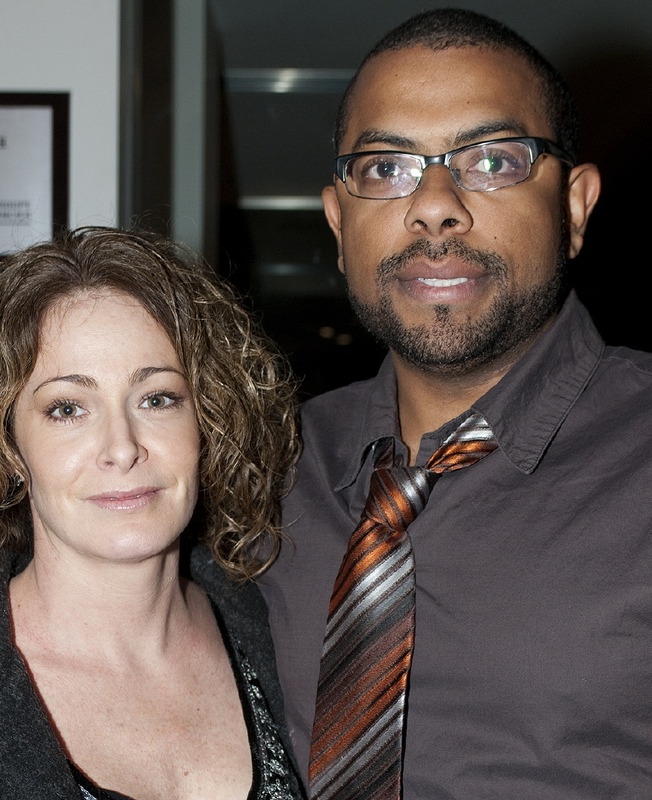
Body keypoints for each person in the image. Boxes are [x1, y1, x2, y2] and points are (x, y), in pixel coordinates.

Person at [259, 7, 652, 799]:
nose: (434, 204)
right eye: (385, 168)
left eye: (492, 159)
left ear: (574, 207)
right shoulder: (269, 470)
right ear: (338, 222)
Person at [0, 227, 307, 800]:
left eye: (157, 399)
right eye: (68, 409)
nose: (122, 447)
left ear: (207, 422)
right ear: (6, 446)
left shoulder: (285, 636)